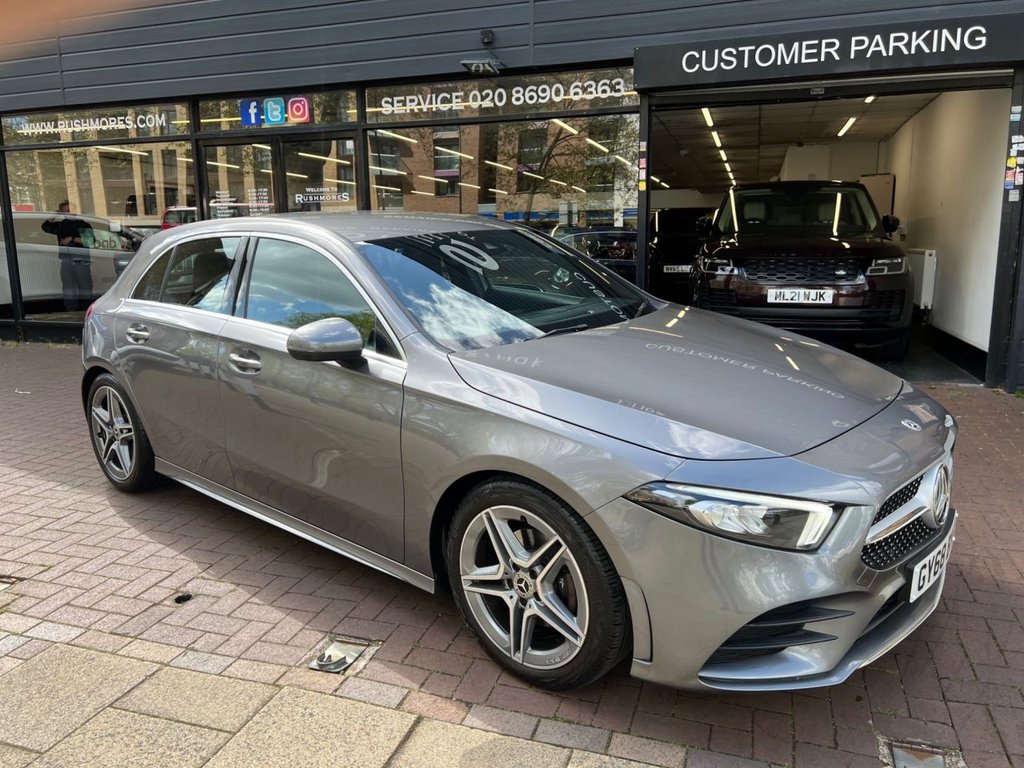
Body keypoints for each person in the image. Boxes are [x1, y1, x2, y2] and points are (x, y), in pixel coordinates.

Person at [41, 200, 93, 311]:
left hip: (81, 260)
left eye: (71, 210)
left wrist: (72, 239)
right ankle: (71, 309)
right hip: (66, 260)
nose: (70, 213)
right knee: (68, 287)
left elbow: (90, 241)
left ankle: (85, 309)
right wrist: (56, 214)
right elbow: (45, 226)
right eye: (66, 211)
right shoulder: (61, 225)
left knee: (84, 286)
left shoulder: (83, 224)